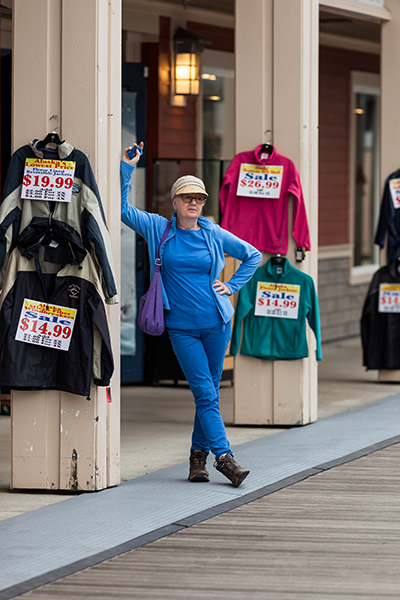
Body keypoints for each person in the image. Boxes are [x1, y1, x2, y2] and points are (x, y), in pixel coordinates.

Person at [121, 143, 261, 487]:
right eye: (187, 197)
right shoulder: (158, 229)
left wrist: (231, 285)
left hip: (217, 323)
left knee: (209, 391)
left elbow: (253, 255)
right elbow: (120, 209)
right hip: (181, 327)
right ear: (174, 202)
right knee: (204, 391)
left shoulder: (212, 233)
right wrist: (127, 167)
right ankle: (224, 458)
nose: (194, 203)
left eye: (199, 198)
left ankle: (197, 459)